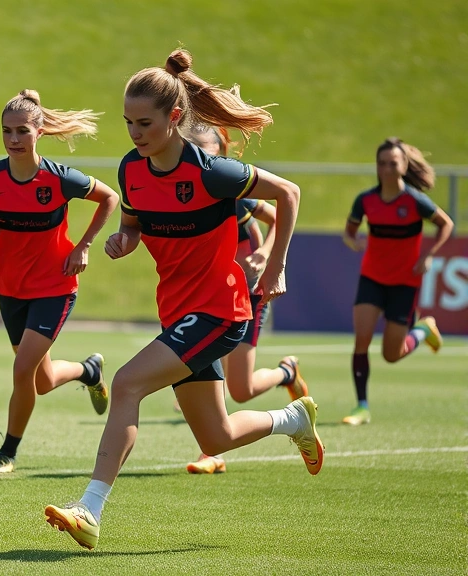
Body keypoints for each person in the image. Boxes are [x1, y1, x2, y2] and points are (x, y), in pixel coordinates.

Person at [43, 49, 322, 550]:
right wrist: (122, 241)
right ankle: (292, 419)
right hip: (179, 313)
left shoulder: (214, 173)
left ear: (175, 118)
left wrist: (274, 265)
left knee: (126, 384)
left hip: (219, 310)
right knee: (215, 438)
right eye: (128, 122)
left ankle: (89, 509)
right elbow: (132, 225)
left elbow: (290, 194)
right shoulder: (132, 169)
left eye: (144, 122)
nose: (134, 133)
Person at [0, 90, 119, 474]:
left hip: (55, 287)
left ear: (39, 131)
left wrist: (83, 245)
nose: (14, 139)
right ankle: (89, 371)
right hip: (10, 289)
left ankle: (7, 453)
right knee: (42, 380)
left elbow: (109, 198)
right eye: (7, 132)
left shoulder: (59, 178)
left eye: (22, 131)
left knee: (21, 371)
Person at [182, 124, 310, 474]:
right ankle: (211, 453)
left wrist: (266, 255)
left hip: (248, 294)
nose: (202, 160)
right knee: (211, 367)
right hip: (212, 295)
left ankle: (286, 373)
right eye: (195, 152)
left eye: (209, 153)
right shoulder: (188, 192)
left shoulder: (237, 194)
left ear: (222, 153)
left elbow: (277, 216)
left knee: (242, 389)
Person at [340, 137, 453, 426]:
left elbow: (445, 224)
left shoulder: (415, 201)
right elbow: (349, 231)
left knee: (392, 355)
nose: (388, 169)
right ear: (376, 167)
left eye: (393, 163)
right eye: (382, 164)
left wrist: (428, 255)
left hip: (404, 283)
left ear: (404, 165)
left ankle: (422, 330)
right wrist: (352, 241)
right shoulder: (365, 200)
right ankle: (361, 407)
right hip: (372, 279)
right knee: (361, 341)